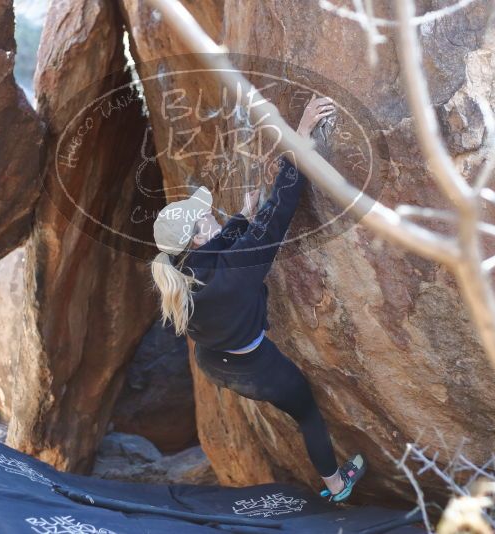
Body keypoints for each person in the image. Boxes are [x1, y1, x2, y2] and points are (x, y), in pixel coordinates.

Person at [150, 95, 367, 502]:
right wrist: (300, 134)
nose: (212, 214)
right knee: (307, 412)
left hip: (215, 363)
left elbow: (216, 252)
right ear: (197, 236)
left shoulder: (180, 272)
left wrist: (239, 221)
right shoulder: (234, 268)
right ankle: (337, 486)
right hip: (257, 368)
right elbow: (281, 208)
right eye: (206, 216)